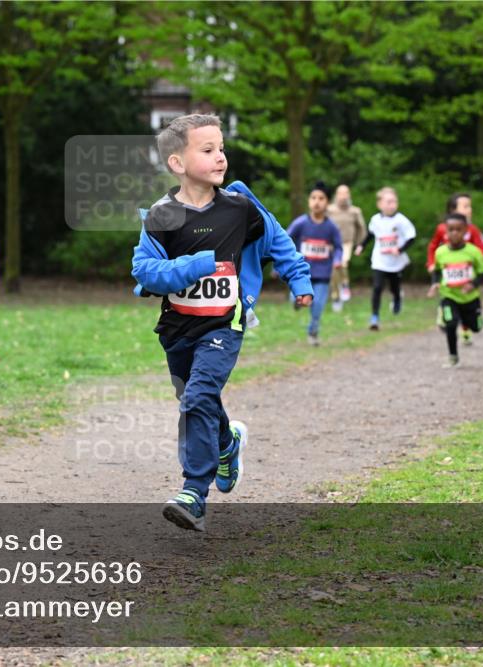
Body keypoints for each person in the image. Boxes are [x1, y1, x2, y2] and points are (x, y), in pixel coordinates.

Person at [131, 114, 312, 532]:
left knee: (198, 396)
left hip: (223, 325)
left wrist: (299, 278)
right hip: (177, 327)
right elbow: (145, 271)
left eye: (221, 148)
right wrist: (193, 266)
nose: (220, 157)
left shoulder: (238, 207)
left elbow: (277, 239)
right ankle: (228, 443)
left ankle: (194, 493)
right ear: (177, 163)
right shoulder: (161, 216)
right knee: (195, 398)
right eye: (207, 150)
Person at [427, 193, 483, 346]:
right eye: (466, 206)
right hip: (448, 272)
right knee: (450, 304)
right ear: (453, 209)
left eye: (470, 206)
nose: (470, 209)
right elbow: (433, 246)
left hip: (467, 274)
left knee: (467, 309)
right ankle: (444, 312)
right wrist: (431, 263)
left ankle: (467, 329)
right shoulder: (442, 229)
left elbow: (481, 248)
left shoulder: (472, 230)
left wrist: (474, 260)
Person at [288, 181, 343, 345]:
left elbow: (339, 247)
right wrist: (284, 261)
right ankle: (296, 303)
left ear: (327, 203)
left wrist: (338, 260)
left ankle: (313, 332)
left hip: (322, 275)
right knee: (295, 299)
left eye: (321, 198)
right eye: (313, 198)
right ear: (309, 201)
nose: (317, 201)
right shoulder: (300, 223)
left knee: (317, 306)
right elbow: (284, 240)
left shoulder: (331, 227)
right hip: (300, 273)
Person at [355, 187, 416, 331]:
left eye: (394, 201)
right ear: (380, 204)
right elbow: (370, 234)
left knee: (394, 287)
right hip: (380, 260)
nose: (392, 205)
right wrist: (361, 246)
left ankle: (397, 298)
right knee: (377, 287)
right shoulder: (375, 220)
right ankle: (374, 317)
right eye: (388, 202)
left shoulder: (401, 220)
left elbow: (411, 237)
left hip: (395, 261)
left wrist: (399, 249)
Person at [327, 184, 366, 311]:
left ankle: (345, 284)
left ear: (349, 195)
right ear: (336, 195)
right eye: (340, 193)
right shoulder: (329, 210)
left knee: (342, 263)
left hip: (347, 243)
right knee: (333, 270)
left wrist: (360, 244)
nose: (343, 197)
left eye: (346, 193)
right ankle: (335, 296)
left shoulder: (355, 211)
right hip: (331, 244)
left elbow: (361, 228)